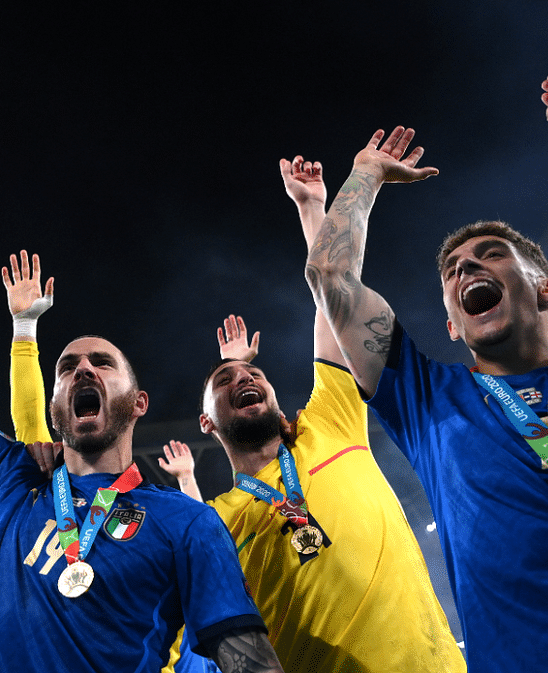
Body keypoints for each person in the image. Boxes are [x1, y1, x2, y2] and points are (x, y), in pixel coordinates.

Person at [303, 65, 548, 671]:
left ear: (547, 288)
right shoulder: (427, 399)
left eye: (491, 255)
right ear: (453, 326)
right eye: (453, 272)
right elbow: (330, 276)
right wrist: (364, 175)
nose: (467, 269)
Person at [0, 232, 280, 673]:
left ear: (139, 403)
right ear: (55, 407)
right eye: (67, 368)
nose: (83, 368)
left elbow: (247, 656)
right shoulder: (6, 477)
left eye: (102, 363)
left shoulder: (188, 522)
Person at [155, 156, 463, 673]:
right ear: (206, 424)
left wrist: (312, 208)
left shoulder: (332, 420)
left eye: (251, 375)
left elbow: (333, 305)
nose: (244, 378)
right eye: (224, 382)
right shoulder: (215, 522)